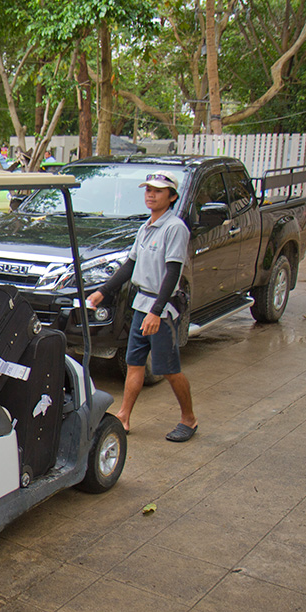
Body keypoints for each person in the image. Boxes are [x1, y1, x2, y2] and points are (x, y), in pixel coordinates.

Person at [86, 170, 198, 442]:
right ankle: (124, 415)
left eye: (158, 191)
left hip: (162, 308)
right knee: (133, 362)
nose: (151, 194)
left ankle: (189, 419)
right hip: (141, 303)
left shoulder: (175, 228)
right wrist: (102, 292)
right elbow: (130, 265)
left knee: (169, 369)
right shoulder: (146, 227)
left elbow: (172, 273)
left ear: (172, 197)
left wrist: (156, 312)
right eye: (148, 189)